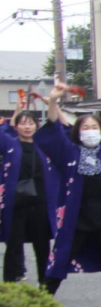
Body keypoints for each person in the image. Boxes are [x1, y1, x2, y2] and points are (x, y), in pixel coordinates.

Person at [38, 80, 101, 307]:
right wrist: (53, 101)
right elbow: (51, 132)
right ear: (78, 132)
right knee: (57, 267)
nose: (90, 130)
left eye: (94, 126)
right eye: (85, 127)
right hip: (77, 221)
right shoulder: (69, 152)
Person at [2, 106, 57, 284]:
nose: (27, 127)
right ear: (16, 126)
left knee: (42, 246)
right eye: (23, 123)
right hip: (16, 203)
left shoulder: (44, 145)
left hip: (40, 202)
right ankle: (9, 284)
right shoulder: (10, 144)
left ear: (36, 125)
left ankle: (45, 284)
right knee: (13, 244)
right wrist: (11, 120)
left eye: (31, 123)